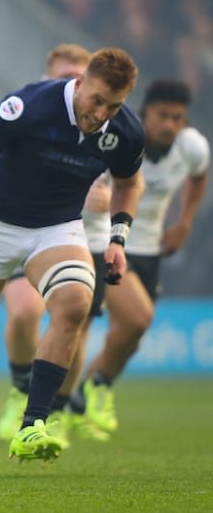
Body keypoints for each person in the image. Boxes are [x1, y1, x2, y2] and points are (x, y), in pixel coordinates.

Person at [0, 47, 144, 462]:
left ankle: (33, 424)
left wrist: (117, 238)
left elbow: (129, 183)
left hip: (57, 228)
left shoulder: (126, 131)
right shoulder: (29, 106)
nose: (102, 113)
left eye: (114, 105)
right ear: (80, 84)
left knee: (75, 303)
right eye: (96, 100)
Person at [0, 44, 115, 444]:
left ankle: (52, 415)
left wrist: (112, 209)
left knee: (74, 331)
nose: (69, 84)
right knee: (25, 312)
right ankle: (20, 392)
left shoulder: (109, 124)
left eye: (75, 77)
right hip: (24, 228)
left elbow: (131, 179)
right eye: (61, 76)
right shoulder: (29, 112)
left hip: (85, 240)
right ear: (49, 78)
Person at [71, 79, 209, 434]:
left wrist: (184, 223)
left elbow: (199, 175)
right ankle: (95, 389)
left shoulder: (191, 147)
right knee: (137, 320)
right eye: (163, 116)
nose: (169, 125)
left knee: (131, 337)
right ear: (145, 113)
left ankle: (80, 398)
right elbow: (86, 181)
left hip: (152, 250)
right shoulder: (119, 141)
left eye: (177, 118)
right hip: (113, 244)